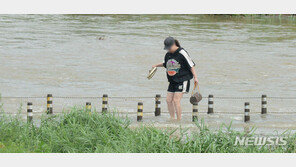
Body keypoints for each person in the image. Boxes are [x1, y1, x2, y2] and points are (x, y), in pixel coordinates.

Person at [152, 37, 198, 121]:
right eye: (167, 48)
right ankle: (172, 118)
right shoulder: (168, 54)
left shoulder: (182, 52)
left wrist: (195, 77)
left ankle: (179, 120)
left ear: (174, 45)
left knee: (176, 100)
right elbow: (165, 64)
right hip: (172, 80)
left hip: (182, 79)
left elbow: (191, 65)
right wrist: (155, 65)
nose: (168, 50)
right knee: (168, 100)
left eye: (169, 48)